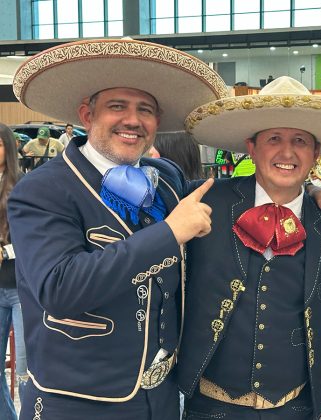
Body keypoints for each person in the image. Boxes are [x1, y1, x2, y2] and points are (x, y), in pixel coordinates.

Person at [7, 37, 232, 420]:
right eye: (117, 106)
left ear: (156, 123)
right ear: (86, 115)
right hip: (77, 404)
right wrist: (168, 234)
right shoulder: (41, 190)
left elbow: (228, 197)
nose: (133, 120)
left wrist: (305, 193)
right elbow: (59, 288)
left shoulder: (165, 176)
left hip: (161, 400)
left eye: (145, 110)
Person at [176, 76, 321, 420]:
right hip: (208, 406)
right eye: (274, 138)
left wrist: (320, 337)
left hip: (295, 407)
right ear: (252, 146)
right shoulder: (206, 200)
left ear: (316, 152)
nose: (287, 152)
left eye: (300, 141)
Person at [0, 124, 26, 420]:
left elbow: (34, 240)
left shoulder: (22, 185)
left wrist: (4, 252)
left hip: (21, 286)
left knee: (25, 369)